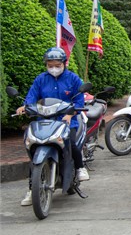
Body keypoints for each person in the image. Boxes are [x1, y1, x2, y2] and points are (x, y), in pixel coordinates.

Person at [17, 47, 89, 206]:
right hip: (44, 121)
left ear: (64, 63)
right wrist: (25, 107)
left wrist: (71, 114)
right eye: (50, 65)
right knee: (35, 149)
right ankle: (32, 190)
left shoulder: (73, 79)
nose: (54, 68)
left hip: (67, 121)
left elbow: (79, 100)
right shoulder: (40, 79)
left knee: (71, 143)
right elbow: (32, 97)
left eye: (57, 65)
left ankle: (80, 168)